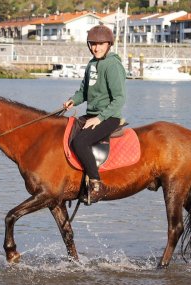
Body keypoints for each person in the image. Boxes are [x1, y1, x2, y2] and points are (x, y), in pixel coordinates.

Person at [63, 24, 126, 205]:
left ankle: (96, 184)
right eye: (92, 44)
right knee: (64, 132)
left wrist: (99, 118)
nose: (96, 48)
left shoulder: (113, 65)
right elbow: (84, 92)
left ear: (109, 45)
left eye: (100, 44)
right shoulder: (91, 64)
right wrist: (72, 101)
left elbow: (119, 100)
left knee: (80, 142)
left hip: (109, 117)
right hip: (91, 114)